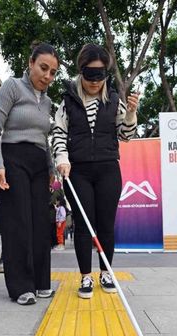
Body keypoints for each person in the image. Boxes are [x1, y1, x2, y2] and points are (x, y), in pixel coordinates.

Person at [52, 43, 140, 299]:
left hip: (108, 169)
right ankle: (85, 277)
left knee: (106, 225)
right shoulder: (67, 102)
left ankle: (106, 271)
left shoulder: (114, 100)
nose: (94, 81)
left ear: (107, 75)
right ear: (81, 72)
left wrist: (131, 113)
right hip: (76, 170)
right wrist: (62, 158)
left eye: (100, 75)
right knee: (83, 225)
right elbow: (59, 133)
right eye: (89, 74)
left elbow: (126, 136)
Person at [0, 42, 59, 305]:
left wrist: (51, 169)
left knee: (41, 223)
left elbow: (44, 139)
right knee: (18, 223)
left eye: (52, 72)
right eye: (43, 68)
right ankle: (20, 287)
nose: (47, 76)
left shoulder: (48, 101)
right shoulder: (12, 87)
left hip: (40, 163)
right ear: (30, 63)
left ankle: (41, 282)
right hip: (13, 157)